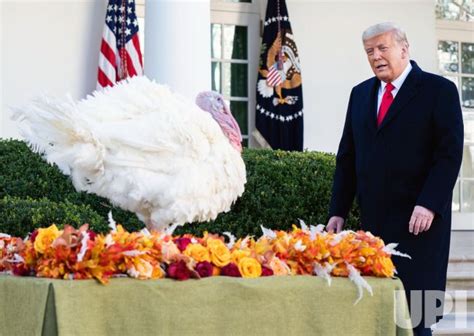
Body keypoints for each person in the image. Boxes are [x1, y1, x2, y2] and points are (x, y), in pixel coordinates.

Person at [326, 22, 463, 336]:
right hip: (373, 229)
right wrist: (338, 211)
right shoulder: (360, 94)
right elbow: (347, 158)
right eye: (369, 51)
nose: (376, 56)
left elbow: (448, 155)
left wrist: (429, 204)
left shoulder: (438, 91)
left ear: (404, 48)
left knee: (417, 317)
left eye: (382, 48)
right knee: (377, 316)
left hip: (420, 225)